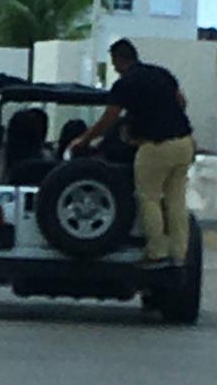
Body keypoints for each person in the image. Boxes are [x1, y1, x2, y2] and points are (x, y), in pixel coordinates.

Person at [70, 38, 195, 267]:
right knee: (176, 199)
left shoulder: (125, 83)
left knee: (149, 197)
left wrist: (85, 139)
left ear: (118, 60)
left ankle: (156, 252)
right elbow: (181, 102)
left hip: (155, 147)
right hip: (184, 142)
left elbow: (109, 118)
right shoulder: (161, 73)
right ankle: (179, 254)